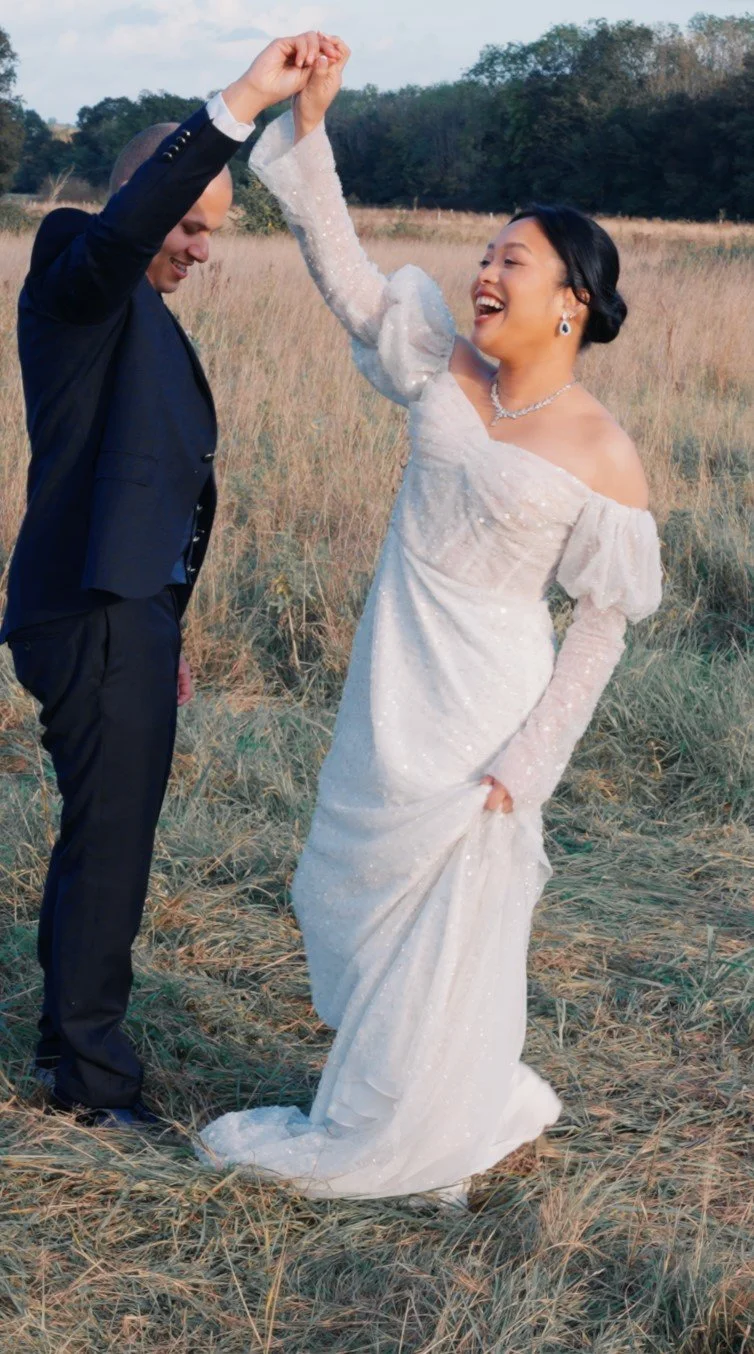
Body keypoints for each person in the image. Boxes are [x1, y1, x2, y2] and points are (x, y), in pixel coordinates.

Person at [197, 37, 663, 1205]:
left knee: (451, 916)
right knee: (354, 890)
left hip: (487, 704)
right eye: (485, 253)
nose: (484, 271)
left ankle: (406, 1119)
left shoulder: (603, 452)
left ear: (571, 304)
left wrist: (529, 759)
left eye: (513, 260)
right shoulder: (442, 368)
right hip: (391, 676)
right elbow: (345, 271)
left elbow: (600, 626)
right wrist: (311, 124)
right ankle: (406, 1081)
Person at [3, 31, 339, 1128]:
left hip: (126, 615)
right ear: (140, 199)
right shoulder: (78, 268)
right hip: (91, 613)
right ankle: (93, 1084)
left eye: (213, 232)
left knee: (100, 837)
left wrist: (167, 627)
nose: (198, 249)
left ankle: (67, 1048)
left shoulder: (133, 317)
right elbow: (126, 230)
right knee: (111, 852)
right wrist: (243, 102)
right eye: (187, 222)